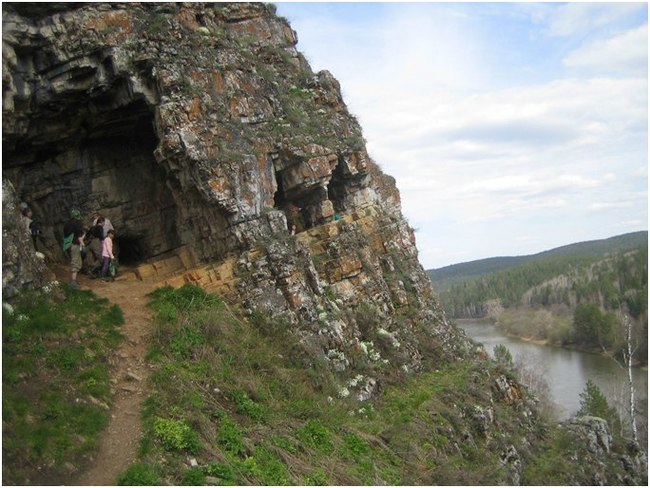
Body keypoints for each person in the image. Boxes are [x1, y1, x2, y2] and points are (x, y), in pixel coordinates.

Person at [63, 208, 85, 288]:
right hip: (75, 245)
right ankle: (73, 282)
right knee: (76, 262)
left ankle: (73, 280)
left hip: (68, 245)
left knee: (72, 261)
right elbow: (79, 236)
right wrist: (83, 244)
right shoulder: (77, 223)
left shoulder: (67, 223)